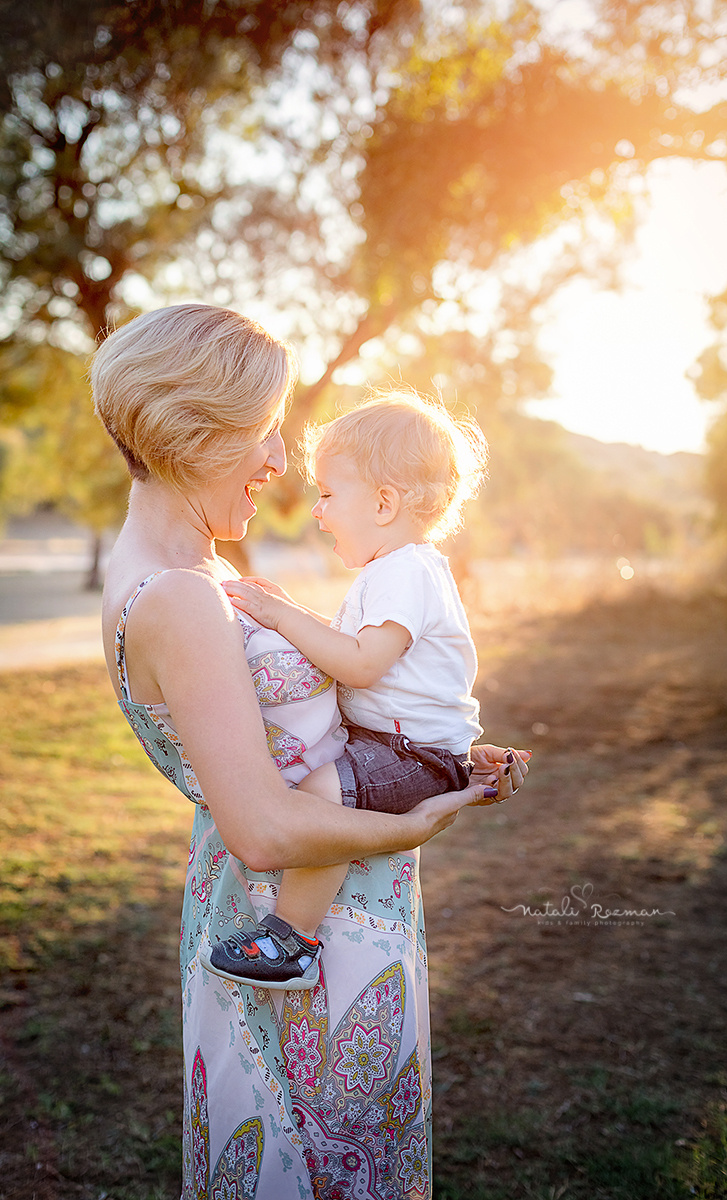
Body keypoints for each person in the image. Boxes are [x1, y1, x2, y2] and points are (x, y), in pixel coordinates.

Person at [93, 303, 529, 1200]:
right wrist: (416, 821)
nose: (277, 460)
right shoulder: (179, 595)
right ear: (197, 429)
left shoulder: (193, 572)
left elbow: (319, 723)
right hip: (299, 939)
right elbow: (262, 829)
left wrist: (435, 748)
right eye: (263, 430)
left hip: (329, 910)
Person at [206, 391, 530, 991]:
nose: (317, 511)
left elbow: (360, 665)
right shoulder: (399, 571)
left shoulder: (406, 572)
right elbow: (354, 648)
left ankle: (291, 940)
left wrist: (280, 616)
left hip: (412, 756)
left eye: (328, 494)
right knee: (322, 789)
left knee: (321, 795)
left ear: (383, 503)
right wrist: (292, 611)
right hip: (406, 747)